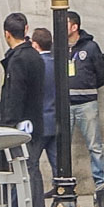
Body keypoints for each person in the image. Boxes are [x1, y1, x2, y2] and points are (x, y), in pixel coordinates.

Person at [0, 13, 46, 207]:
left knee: (26, 170)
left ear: (7, 34)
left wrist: (8, 124)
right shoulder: (35, 55)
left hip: (22, 125)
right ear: (26, 29)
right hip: (35, 121)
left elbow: (15, 96)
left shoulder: (18, 59)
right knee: (31, 169)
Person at [67, 11, 104, 186]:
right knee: (62, 148)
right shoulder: (58, 47)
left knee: (95, 146)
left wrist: (88, 87)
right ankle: (64, 183)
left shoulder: (90, 47)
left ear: (75, 27)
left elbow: (102, 74)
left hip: (87, 103)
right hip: (65, 104)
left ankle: (100, 183)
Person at [31, 27, 59, 181]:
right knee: (57, 164)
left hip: (40, 121)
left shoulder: (37, 65)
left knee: (32, 163)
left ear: (35, 45)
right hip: (55, 119)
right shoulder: (57, 64)